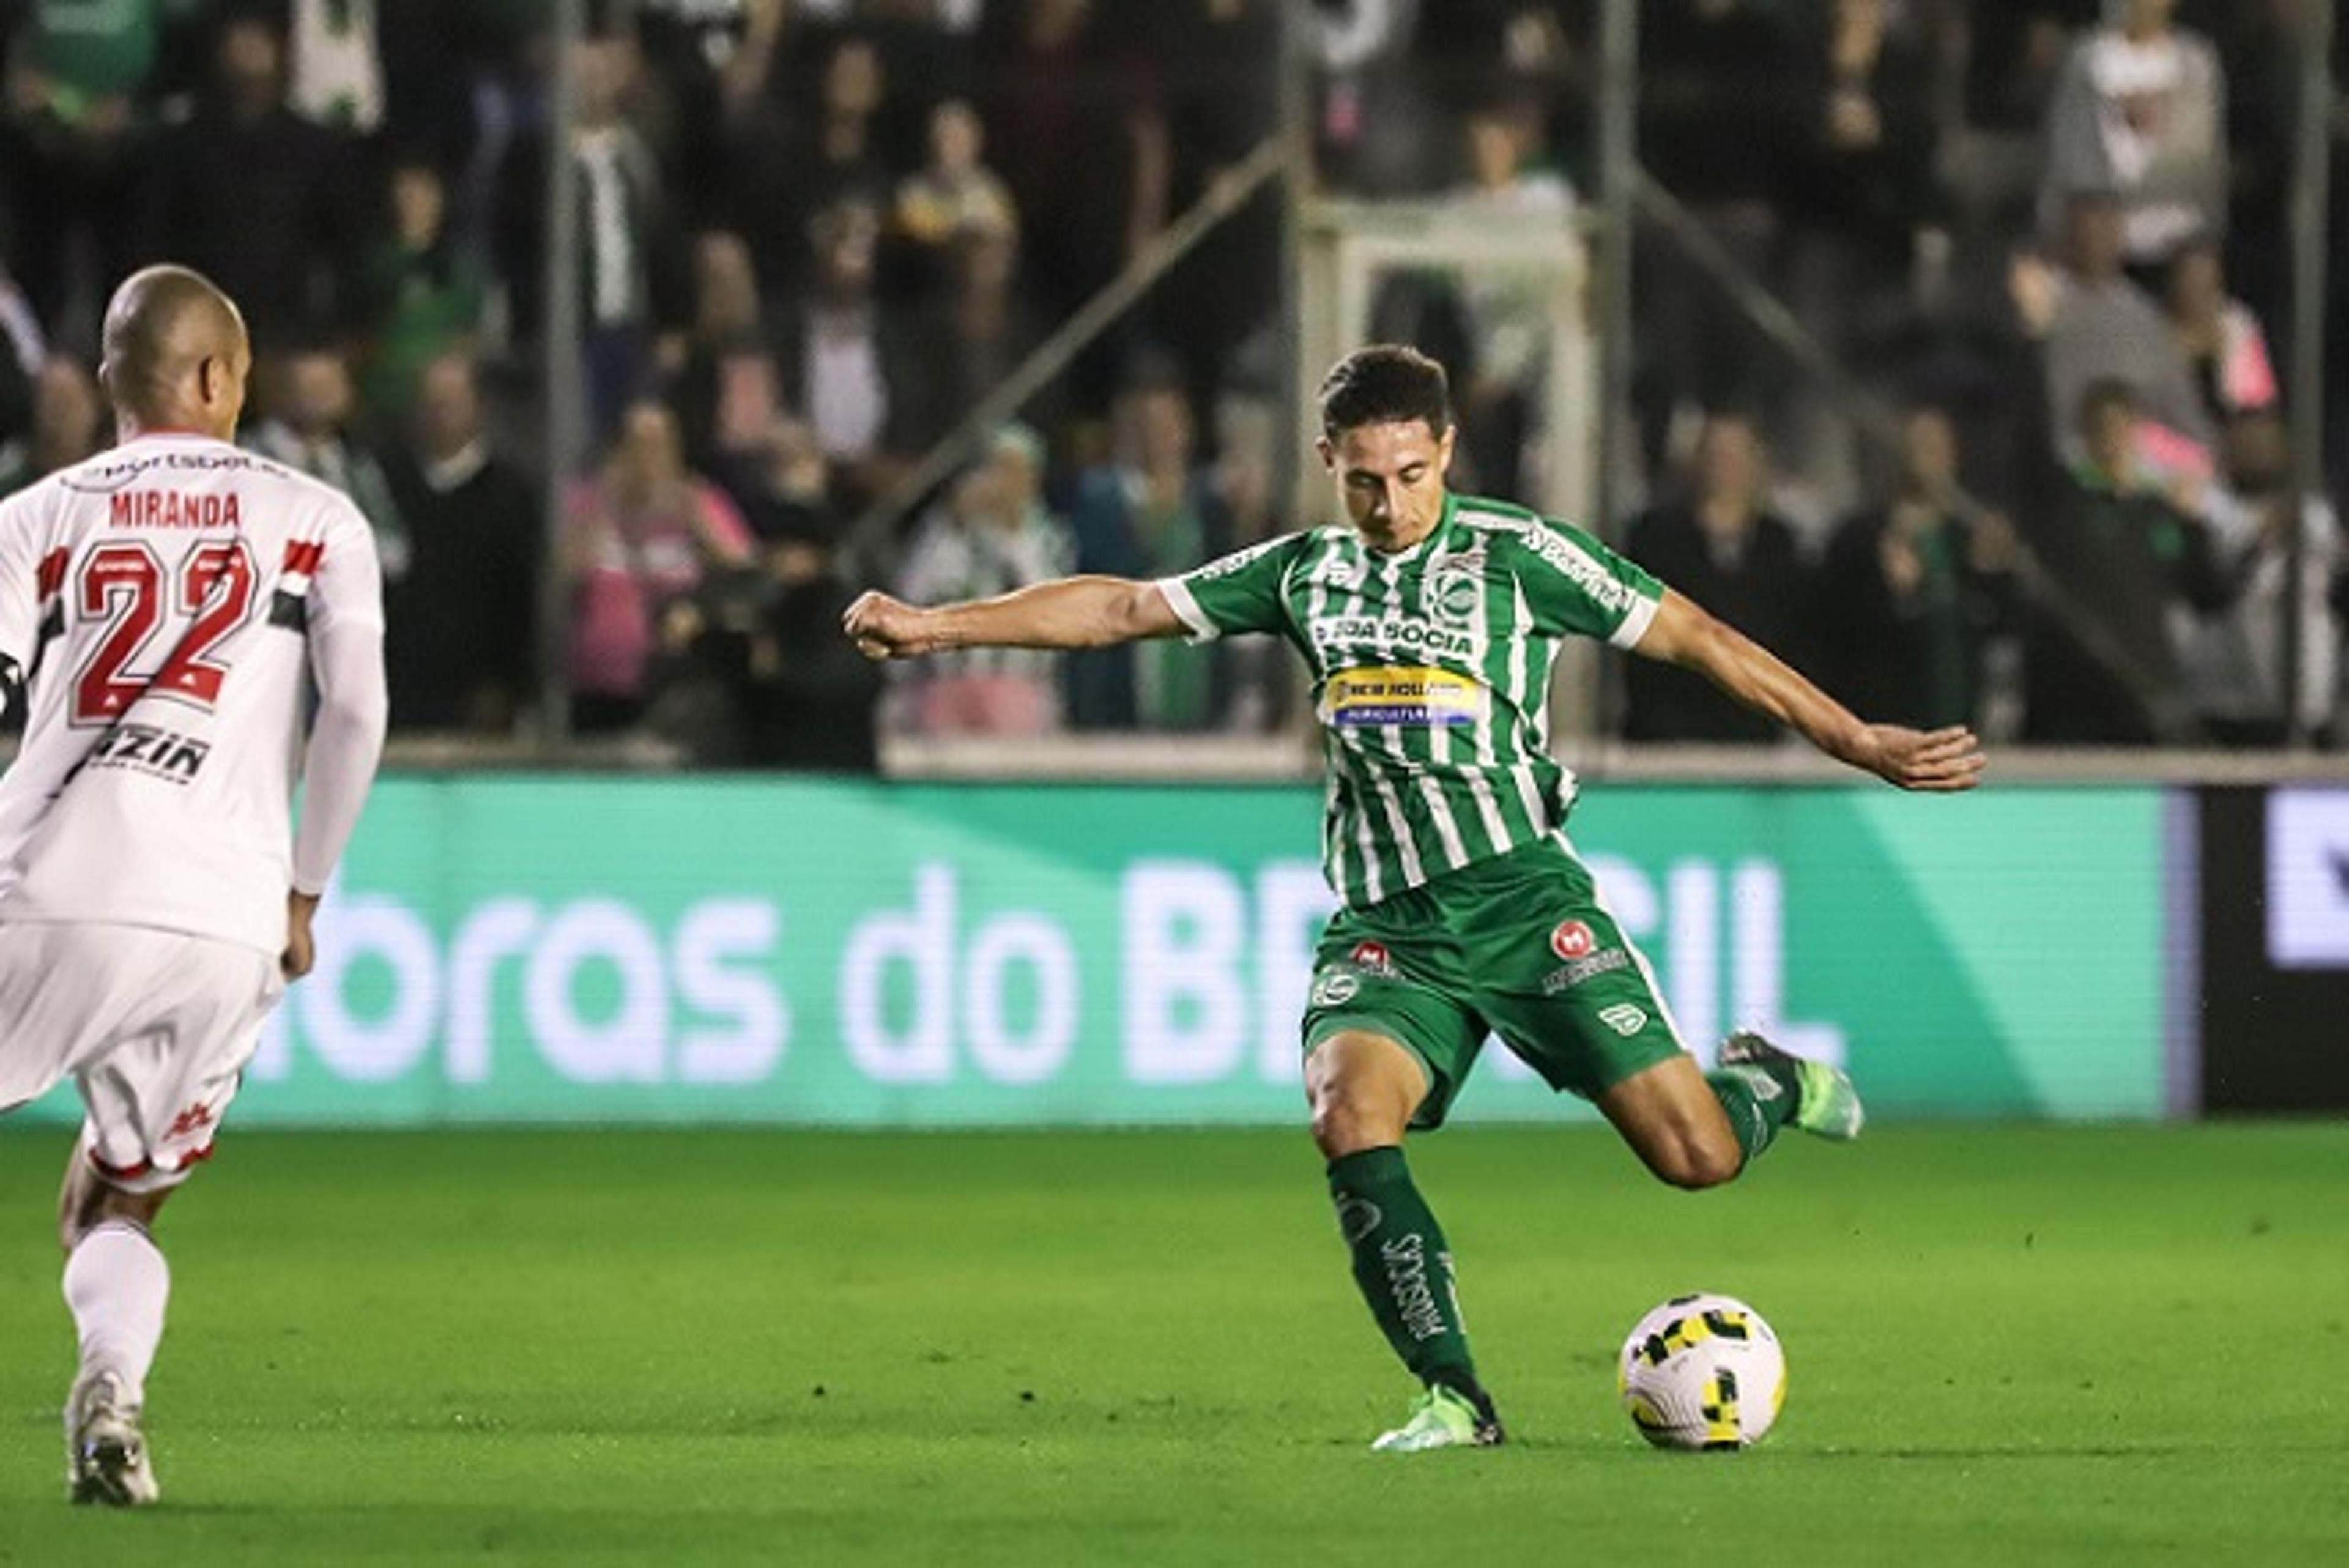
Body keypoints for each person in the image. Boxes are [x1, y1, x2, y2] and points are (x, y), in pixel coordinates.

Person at [844, 344, 1982, 1452]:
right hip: (1390, 927)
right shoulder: (1303, 571)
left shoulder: (1520, 553)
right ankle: (1453, 1395)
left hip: (1525, 902)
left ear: (1447, 449)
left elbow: (1697, 637)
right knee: (1346, 1111)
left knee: (1696, 1156)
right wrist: (938, 624)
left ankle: (1769, 1082)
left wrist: (1856, 738)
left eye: (1411, 475)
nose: (1388, 505)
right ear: (1328, 460)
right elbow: (1123, 608)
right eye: (1362, 482)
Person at [0, 265, 387, 1504]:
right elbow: (360, 711)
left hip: (43, 886)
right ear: (220, 379)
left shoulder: (36, 514)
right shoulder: (318, 515)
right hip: (224, 922)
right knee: (116, 1203)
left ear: (111, 382)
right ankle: (111, 1391)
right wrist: (305, 894)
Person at [1620, 412, 1812, 742]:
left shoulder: (1780, 547)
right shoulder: (1655, 540)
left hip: (1755, 736)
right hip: (1667, 736)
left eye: (1736, 455)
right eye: (1716, 455)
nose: (1725, 467)